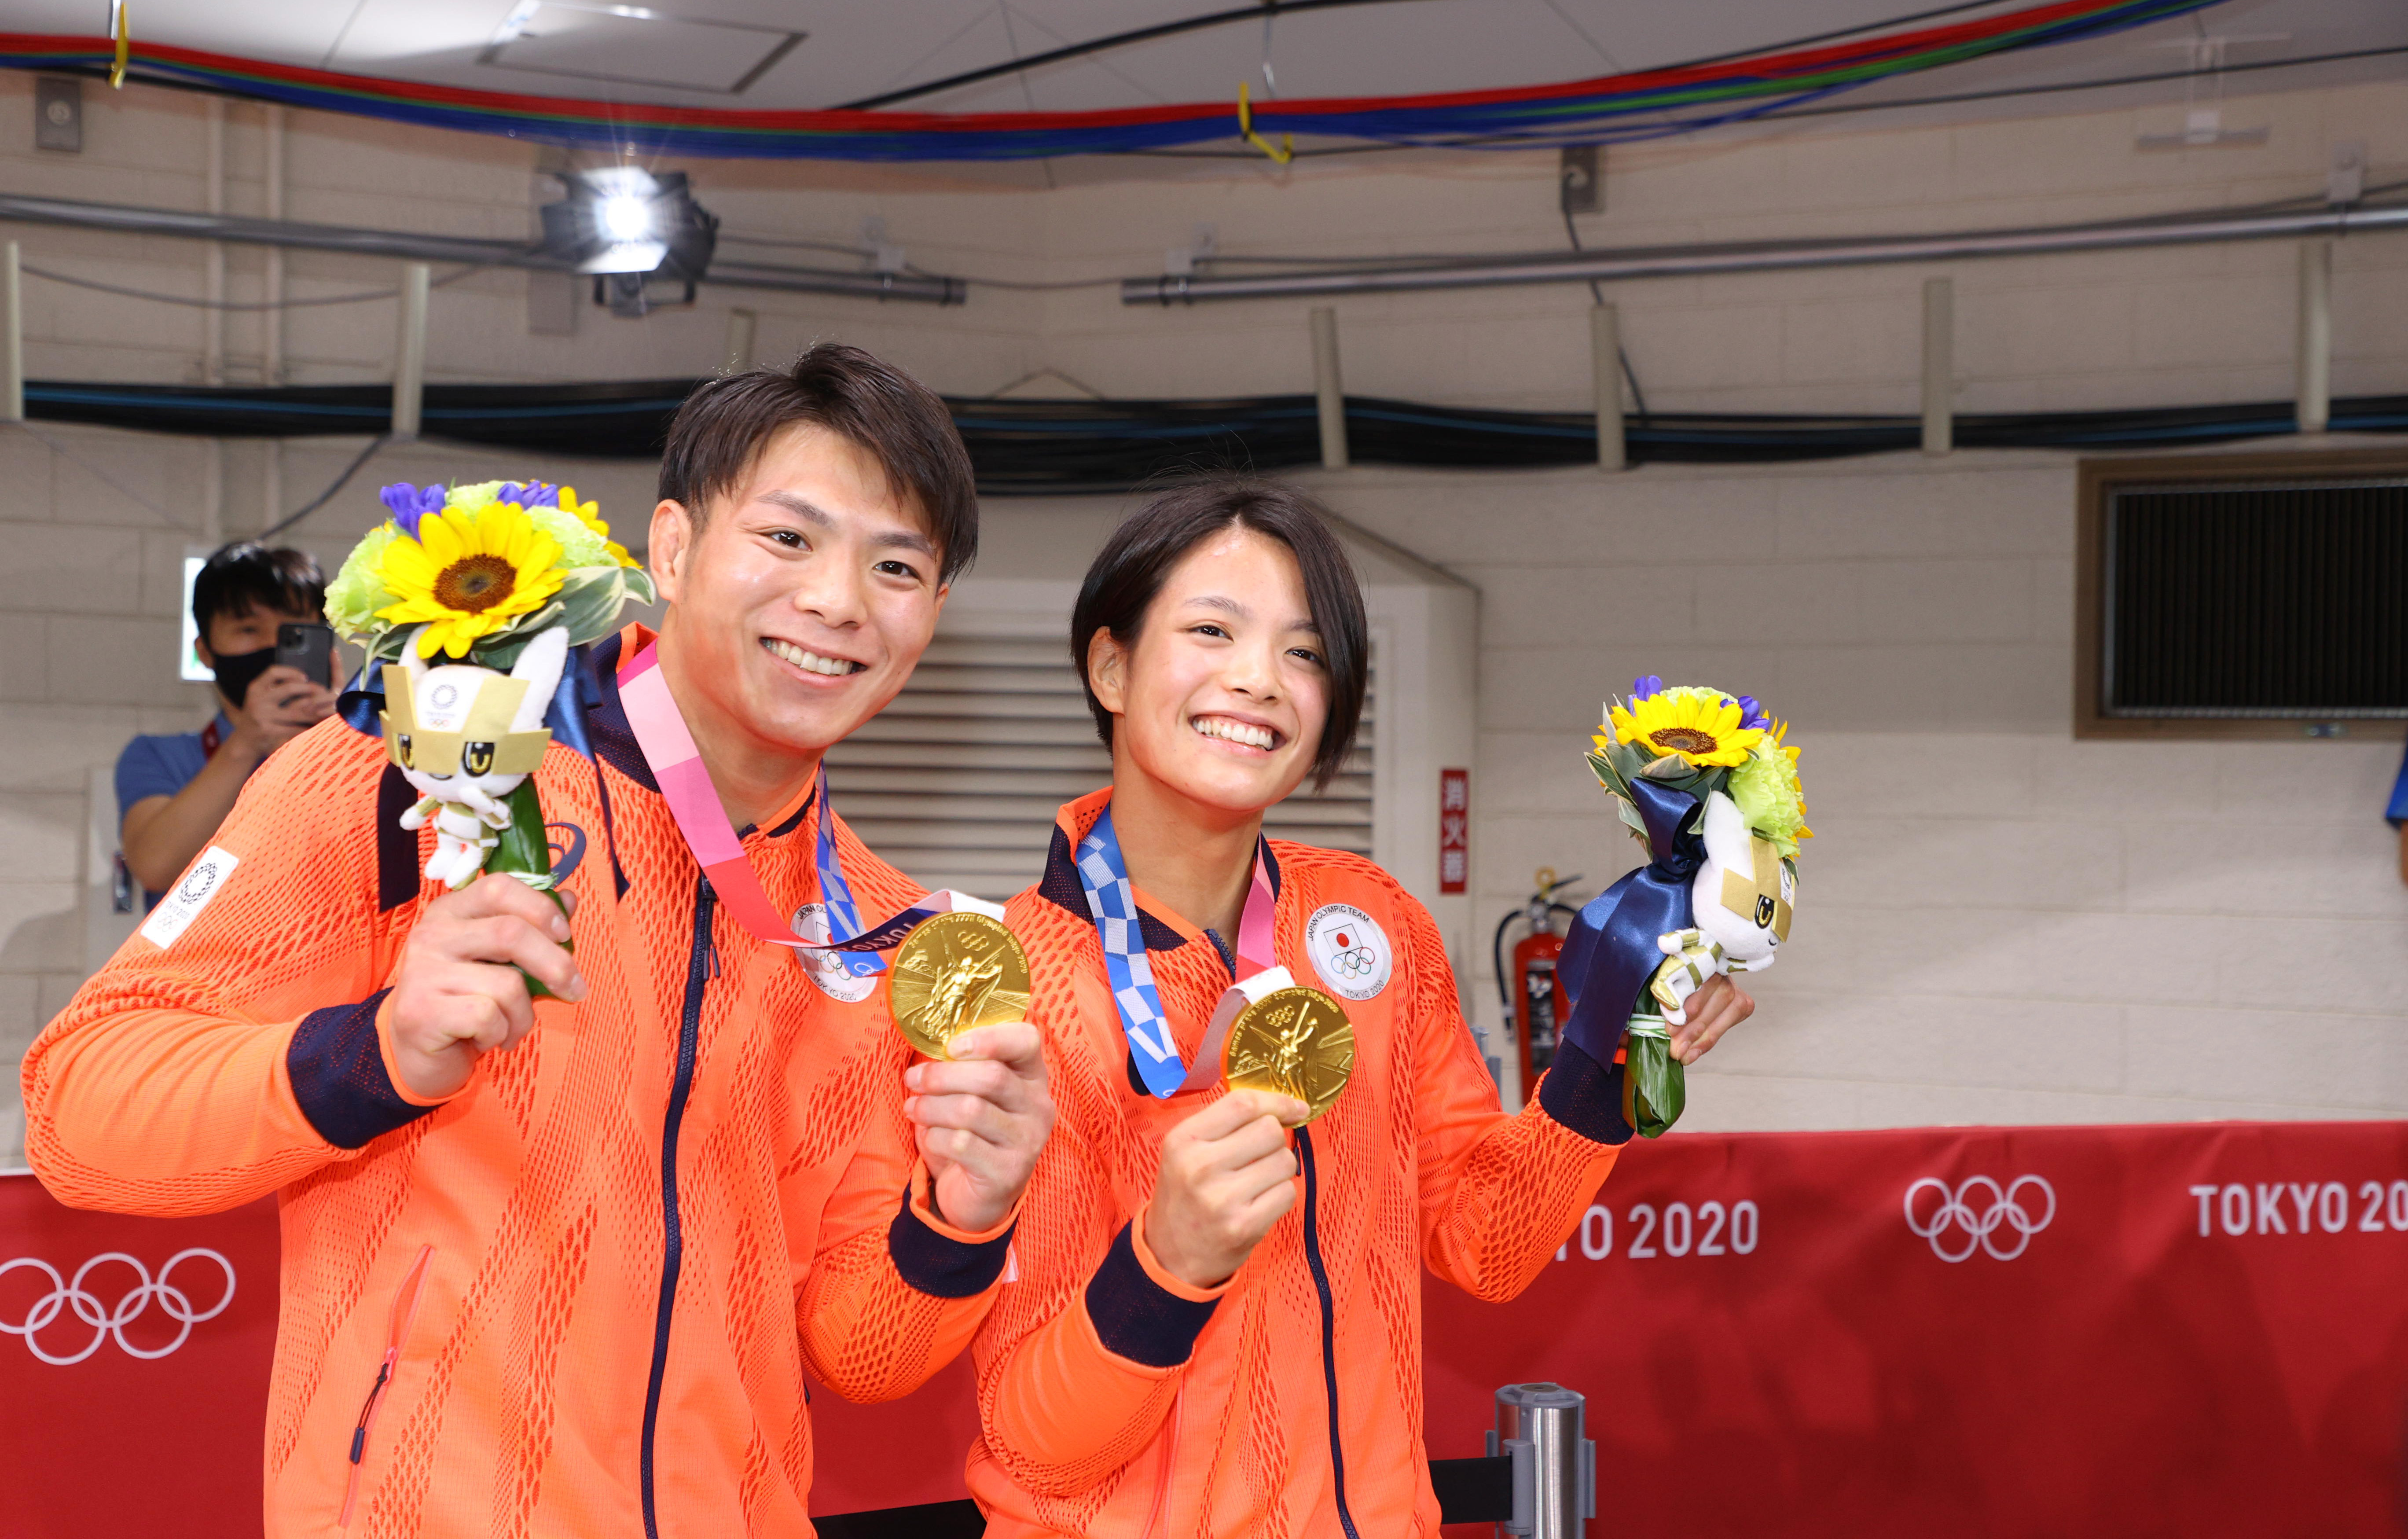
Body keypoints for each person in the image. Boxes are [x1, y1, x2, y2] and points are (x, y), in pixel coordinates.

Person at [24, 345, 1055, 1538]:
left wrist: (962, 1212)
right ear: (673, 547)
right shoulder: (418, 777)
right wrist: (375, 1054)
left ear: (931, 615)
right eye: (788, 537)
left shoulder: (875, 931)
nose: (837, 599)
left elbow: (861, 1353)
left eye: (897, 566)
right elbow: (79, 1110)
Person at [964, 477, 1756, 1537]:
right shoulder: (1009, 986)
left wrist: (1604, 1055)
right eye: (1211, 630)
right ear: (1110, 666)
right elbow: (1033, 1440)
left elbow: (1487, 1242)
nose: (1259, 678)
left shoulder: (1371, 923)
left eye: (1303, 652)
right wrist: (1167, 1263)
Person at [116, 540, 339, 907]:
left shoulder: (365, 746)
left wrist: (343, 741)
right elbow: (156, 866)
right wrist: (247, 742)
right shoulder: (158, 755)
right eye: (249, 629)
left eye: (293, 631)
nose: (272, 644)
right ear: (205, 652)